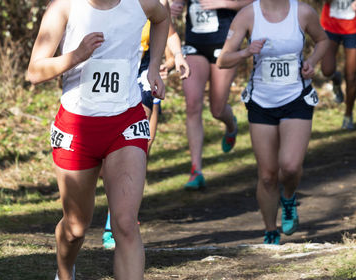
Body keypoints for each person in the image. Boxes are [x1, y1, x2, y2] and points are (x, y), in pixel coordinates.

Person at [27, 0, 169, 278]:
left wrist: (153, 66)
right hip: (76, 128)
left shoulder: (142, 3)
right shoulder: (64, 7)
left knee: (126, 223)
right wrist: (76, 55)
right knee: (76, 227)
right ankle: (65, 272)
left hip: (125, 122)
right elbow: (34, 72)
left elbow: (162, 20)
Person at [217, 0, 329, 244]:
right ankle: (270, 229)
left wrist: (312, 61)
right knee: (267, 175)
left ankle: (288, 198)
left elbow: (323, 40)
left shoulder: (303, 12)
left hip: (296, 97)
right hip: (261, 101)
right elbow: (223, 60)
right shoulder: (247, 15)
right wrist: (246, 52)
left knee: (289, 166)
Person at [102, 0, 190, 250]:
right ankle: (117, 209)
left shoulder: (156, 2)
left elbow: (169, 31)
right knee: (107, 155)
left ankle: (116, 219)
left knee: (139, 144)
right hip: (110, 71)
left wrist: (177, 59)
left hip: (142, 72)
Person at [170, 0, 254, 190]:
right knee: (192, 104)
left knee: (217, 109)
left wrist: (226, 3)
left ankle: (231, 125)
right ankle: (196, 171)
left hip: (225, 45)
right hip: (194, 44)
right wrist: (174, 7)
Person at [320, 0, 356, 130]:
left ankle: (348, 114)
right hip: (330, 25)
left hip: (353, 28)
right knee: (327, 70)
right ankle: (336, 79)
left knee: (351, 75)